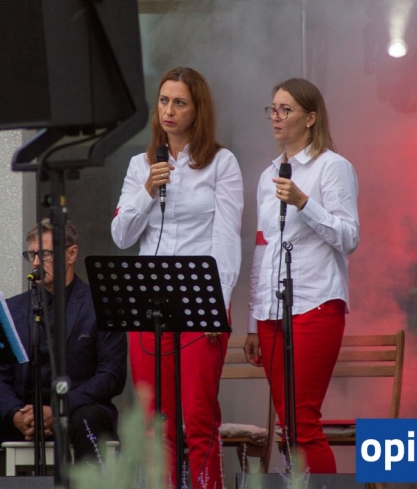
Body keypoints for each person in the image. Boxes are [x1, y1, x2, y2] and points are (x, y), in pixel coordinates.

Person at [112, 66, 243, 488]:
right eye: (164, 101)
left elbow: (227, 238)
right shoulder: (140, 165)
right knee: (155, 420)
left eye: (180, 102)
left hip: (199, 300)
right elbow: (121, 235)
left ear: (197, 110)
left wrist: (217, 305)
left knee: (199, 417)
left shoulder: (221, 163)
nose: (169, 110)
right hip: (148, 302)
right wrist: (147, 189)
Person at [244, 77, 359, 474]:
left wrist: (304, 202)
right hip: (271, 312)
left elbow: (349, 237)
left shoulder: (333, 167)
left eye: (286, 109)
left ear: (310, 118)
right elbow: (263, 245)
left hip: (315, 302)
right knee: (289, 426)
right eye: (272, 109)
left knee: (302, 421)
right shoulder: (268, 174)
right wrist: (252, 319)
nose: (276, 117)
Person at [0, 219, 127, 462]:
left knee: (88, 420)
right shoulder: (13, 310)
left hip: (79, 408)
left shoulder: (101, 305)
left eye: (45, 254)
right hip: (25, 411)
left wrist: (58, 409)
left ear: (71, 254)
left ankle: (90, 481)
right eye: (32, 255)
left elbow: (112, 375)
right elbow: (1, 373)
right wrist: (16, 414)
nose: (36, 263)